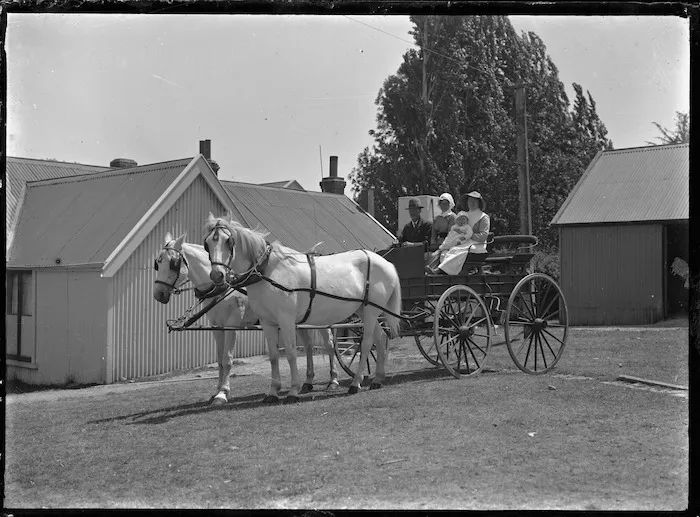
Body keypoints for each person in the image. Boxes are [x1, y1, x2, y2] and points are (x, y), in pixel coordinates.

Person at [434, 191, 490, 275]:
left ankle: (444, 271)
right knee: (448, 250)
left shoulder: (483, 217)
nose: (472, 203)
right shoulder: (464, 215)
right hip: (464, 242)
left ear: (479, 203)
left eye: (475, 200)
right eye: (470, 200)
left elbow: (483, 236)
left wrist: (468, 236)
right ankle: (446, 271)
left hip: (477, 244)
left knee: (459, 251)